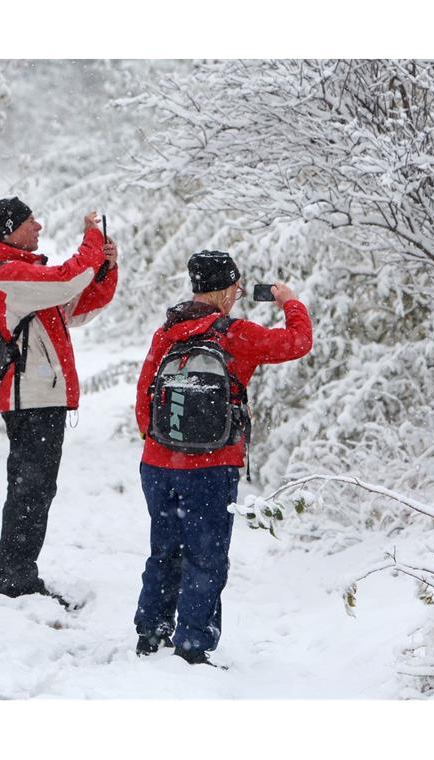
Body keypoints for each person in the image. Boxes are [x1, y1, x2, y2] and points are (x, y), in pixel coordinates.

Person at [133, 250, 312, 665]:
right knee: (206, 557)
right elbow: (298, 341)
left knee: (164, 552)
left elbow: (144, 399)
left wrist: (162, 446)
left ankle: (150, 633)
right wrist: (290, 302)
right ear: (227, 290)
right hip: (211, 468)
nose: (238, 294)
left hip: (158, 465)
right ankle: (192, 645)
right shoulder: (235, 334)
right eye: (237, 287)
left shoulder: (166, 333)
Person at [0, 197, 118, 606]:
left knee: (36, 489)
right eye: (30, 221)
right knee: (31, 490)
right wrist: (91, 240)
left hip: (41, 399)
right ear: (10, 231)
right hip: (30, 400)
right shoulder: (9, 275)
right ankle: (15, 578)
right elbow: (67, 280)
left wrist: (105, 268)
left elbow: (79, 306)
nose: (38, 226)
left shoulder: (29, 278)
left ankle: (16, 571)